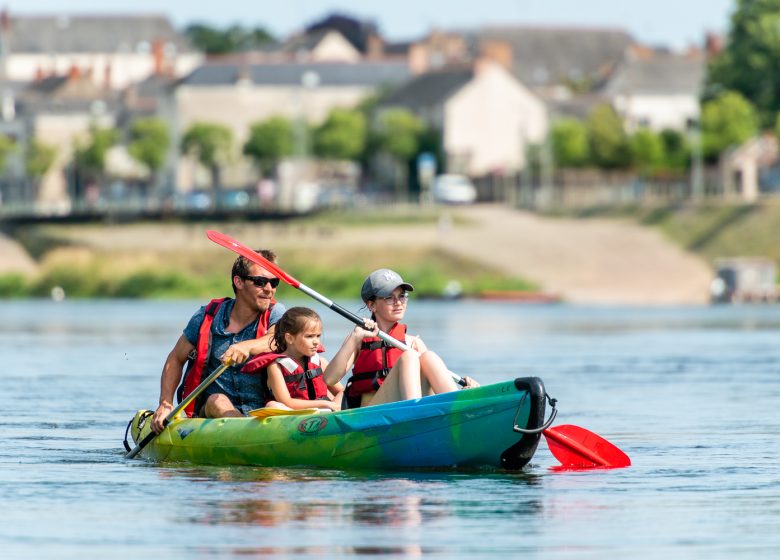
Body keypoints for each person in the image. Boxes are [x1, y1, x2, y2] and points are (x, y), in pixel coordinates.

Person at [151, 250, 286, 433]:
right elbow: (175, 358)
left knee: (278, 406)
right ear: (238, 282)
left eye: (274, 282)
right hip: (211, 414)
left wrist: (247, 346)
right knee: (218, 400)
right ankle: (246, 435)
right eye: (260, 282)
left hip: (262, 412)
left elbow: (276, 340)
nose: (269, 289)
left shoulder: (276, 312)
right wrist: (165, 403)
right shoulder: (206, 316)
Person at [324, 268, 478, 408]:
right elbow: (329, 379)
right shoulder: (358, 338)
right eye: (389, 298)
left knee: (429, 356)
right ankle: (414, 414)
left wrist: (466, 389)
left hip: (407, 406)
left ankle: (461, 405)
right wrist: (354, 337)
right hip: (374, 412)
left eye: (402, 296)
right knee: (410, 356)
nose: (398, 303)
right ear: (372, 305)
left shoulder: (413, 342)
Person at [241, 307, 342, 411]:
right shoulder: (275, 366)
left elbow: (340, 391)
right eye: (309, 336)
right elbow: (286, 402)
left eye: (318, 336)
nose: (316, 341)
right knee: (272, 405)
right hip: (294, 414)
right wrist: (324, 403)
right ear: (289, 338)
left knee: (348, 390)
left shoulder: (320, 362)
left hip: (324, 411)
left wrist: (333, 404)